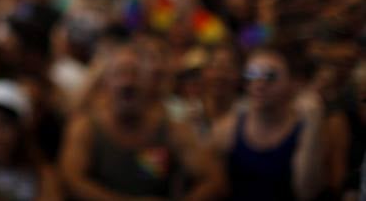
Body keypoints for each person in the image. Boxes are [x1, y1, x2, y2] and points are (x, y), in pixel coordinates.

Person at [59, 41, 224, 200]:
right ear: (106, 82)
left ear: (149, 82)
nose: (128, 83)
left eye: (135, 74)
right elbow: (71, 181)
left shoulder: (171, 128)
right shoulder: (86, 127)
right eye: (120, 73)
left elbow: (214, 180)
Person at [212, 45, 326, 201]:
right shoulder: (226, 129)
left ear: (292, 83)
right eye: (251, 75)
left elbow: (307, 192)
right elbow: (217, 191)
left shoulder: (304, 129)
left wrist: (312, 124)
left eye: (270, 76)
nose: (259, 84)